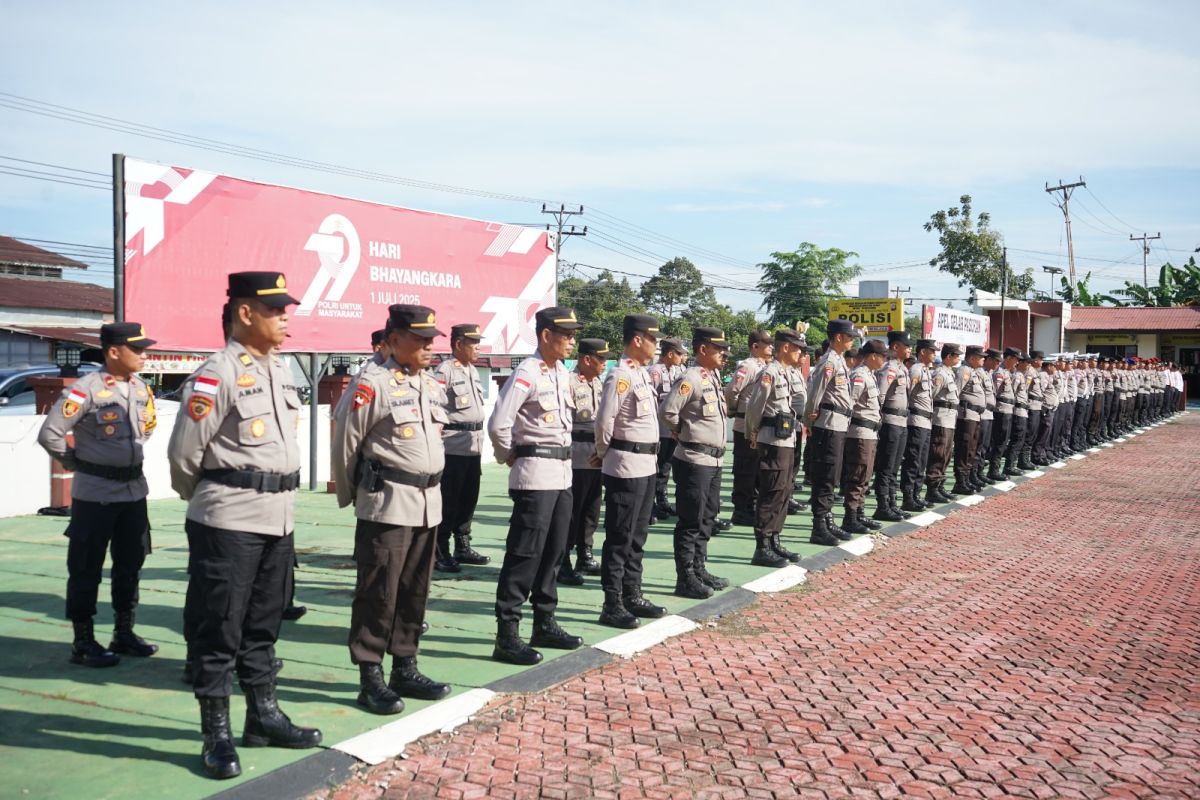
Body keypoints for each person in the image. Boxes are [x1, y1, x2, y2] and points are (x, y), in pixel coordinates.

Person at [167, 272, 320, 780]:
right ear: (246, 313)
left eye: (286, 309)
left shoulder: (279, 370)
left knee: (263, 623)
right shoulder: (217, 373)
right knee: (220, 627)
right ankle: (216, 733)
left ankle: (264, 716)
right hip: (229, 518)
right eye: (276, 309)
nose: (285, 317)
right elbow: (183, 455)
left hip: (277, 517)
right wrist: (217, 499)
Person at [332, 304, 453, 716]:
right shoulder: (373, 383)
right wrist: (354, 497)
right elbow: (346, 441)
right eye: (419, 338)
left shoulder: (429, 384)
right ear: (395, 338)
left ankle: (406, 665)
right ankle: (370, 676)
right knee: (378, 593)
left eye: (431, 339)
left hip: (427, 505)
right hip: (387, 504)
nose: (428, 345)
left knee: (414, 591)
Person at [37, 322, 160, 669]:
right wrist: (79, 463)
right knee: (86, 568)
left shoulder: (139, 388)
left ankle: (124, 632)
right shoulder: (86, 389)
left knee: (130, 564)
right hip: (96, 495)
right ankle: (83, 641)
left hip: (134, 491)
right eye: (136, 349)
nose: (143, 355)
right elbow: (51, 434)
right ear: (113, 352)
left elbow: (145, 431)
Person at [486, 306, 585, 664]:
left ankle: (545, 621)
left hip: (562, 474)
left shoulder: (561, 372)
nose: (572, 341)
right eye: (566, 334)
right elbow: (499, 423)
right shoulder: (527, 372)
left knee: (556, 550)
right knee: (524, 554)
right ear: (546, 335)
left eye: (574, 334)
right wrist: (509, 456)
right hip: (535, 474)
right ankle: (507, 634)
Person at [594, 314, 668, 629]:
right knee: (620, 536)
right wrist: (603, 455)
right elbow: (604, 422)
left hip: (645, 465)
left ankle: (632, 594)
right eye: (653, 339)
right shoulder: (620, 375)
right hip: (625, 464)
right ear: (637, 340)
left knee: (638, 535)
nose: (657, 344)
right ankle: (612, 602)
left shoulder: (641, 375)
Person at [660, 327, 731, 598]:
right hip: (694, 459)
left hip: (713, 461)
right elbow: (668, 411)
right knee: (691, 520)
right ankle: (685, 577)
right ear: (703, 350)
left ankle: (699, 568)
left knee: (707, 517)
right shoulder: (690, 378)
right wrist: (681, 432)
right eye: (719, 349)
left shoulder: (710, 376)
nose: (724, 354)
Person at [745, 328, 809, 563]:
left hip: (788, 438)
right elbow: (755, 407)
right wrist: (752, 431)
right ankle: (762, 546)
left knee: (784, 491)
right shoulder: (769, 373)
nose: (800, 353)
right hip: (772, 440)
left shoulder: (789, 373)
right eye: (797, 348)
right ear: (785, 348)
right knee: (771, 491)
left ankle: (774, 540)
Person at [432, 324, 489, 573]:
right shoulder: (444, 371)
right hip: (453, 445)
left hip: (473, 445)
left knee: (469, 499)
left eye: (478, 341)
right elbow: (434, 407)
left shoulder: (472, 370)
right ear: (458, 344)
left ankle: (462, 545)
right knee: (449, 500)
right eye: (473, 342)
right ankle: (440, 549)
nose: (478, 346)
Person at [804, 320, 856, 545]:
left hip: (839, 424)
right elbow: (815, 392)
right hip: (828, 424)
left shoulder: (838, 361)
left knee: (833, 476)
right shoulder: (828, 361)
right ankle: (819, 526)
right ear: (838, 337)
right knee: (825, 476)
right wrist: (809, 419)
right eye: (849, 336)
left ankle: (827, 519)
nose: (852, 340)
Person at [563, 338, 610, 583]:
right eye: (600, 358)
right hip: (576, 455)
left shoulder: (598, 383)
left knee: (591, 510)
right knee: (572, 511)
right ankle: (563, 560)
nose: (604, 363)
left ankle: (585, 554)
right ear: (586, 359)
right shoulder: (569, 383)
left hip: (596, 454)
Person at [724, 330, 773, 526]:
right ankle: (742, 509)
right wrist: (736, 411)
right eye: (767, 344)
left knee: (757, 469)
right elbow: (731, 392)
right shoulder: (748, 366)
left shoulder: (765, 367)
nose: (771, 347)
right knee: (745, 469)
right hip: (744, 425)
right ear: (755, 346)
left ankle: (751, 505)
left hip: (759, 426)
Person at [840, 338, 886, 533]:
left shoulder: (870, 375)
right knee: (857, 475)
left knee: (865, 475)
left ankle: (859, 514)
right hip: (859, 433)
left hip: (869, 433)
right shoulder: (859, 375)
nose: (885, 360)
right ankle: (850, 517)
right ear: (873, 356)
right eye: (883, 356)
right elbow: (848, 402)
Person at [872, 331, 912, 522]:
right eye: (907, 345)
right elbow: (880, 396)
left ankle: (892, 504)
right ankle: (882, 505)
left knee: (895, 466)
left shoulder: (902, 368)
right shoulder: (889, 368)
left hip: (902, 421)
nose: (910, 349)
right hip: (890, 422)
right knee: (886, 467)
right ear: (895, 347)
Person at [648, 337, 687, 520]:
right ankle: (651, 505)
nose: (682, 356)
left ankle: (662, 501)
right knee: (655, 467)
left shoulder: (678, 371)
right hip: (658, 430)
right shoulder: (654, 372)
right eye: (679, 353)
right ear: (669, 354)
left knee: (665, 467)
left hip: (672, 429)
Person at [900, 339, 937, 511]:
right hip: (915, 421)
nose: (934, 354)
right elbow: (907, 393)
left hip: (926, 421)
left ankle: (916, 494)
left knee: (922, 460)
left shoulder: (925, 370)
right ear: (922, 352)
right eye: (932, 351)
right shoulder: (915, 369)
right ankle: (908, 497)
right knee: (913, 460)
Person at [924, 343, 962, 503]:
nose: (959, 358)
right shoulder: (940, 373)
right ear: (949, 356)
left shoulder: (949, 373)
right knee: (938, 453)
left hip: (949, 419)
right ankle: (932, 489)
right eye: (956, 355)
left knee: (946, 454)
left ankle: (939, 486)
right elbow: (930, 395)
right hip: (941, 419)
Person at [952, 345, 986, 494]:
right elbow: (956, 393)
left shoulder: (974, 372)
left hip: (975, 415)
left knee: (972, 449)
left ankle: (966, 479)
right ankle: (960, 481)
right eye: (980, 357)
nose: (983, 359)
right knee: (964, 449)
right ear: (971, 358)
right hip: (966, 416)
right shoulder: (964, 371)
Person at [987, 347, 1018, 481]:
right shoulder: (999, 373)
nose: (1017, 362)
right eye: (1016, 359)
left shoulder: (1007, 372)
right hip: (1000, 411)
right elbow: (994, 391)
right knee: (999, 441)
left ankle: (996, 468)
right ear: (1009, 358)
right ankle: (993, 470)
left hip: (1007, 410)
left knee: (1003, 441)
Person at [974, 349, 999, 486]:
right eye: (996, 360)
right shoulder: (979, 373)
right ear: (989, 360)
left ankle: (979, 472)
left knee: (985, 446)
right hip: (981, 414)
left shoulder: (988, 374)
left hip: (989, 413)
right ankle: (974, 473)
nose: (997, 364)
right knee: (979, 446)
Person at [1020, 351, 1045, 470]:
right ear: (1035, 360)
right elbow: (1024, 389)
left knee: (1033, 434)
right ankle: (1023, 460)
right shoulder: (1029, 372)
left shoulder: (1035, 372)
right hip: (1031, 406)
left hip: (1037, 405)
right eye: (1040, 359)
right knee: (1029, 434)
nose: (1042, 362)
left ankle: (1027, 458)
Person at [1033, 357, 1059, 465]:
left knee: (1046, 434)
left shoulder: (1047, 375)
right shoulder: (1043, 375)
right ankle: (1037, 456)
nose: (1055, 368)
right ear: (1049, 366)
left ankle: (1042, 455)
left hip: (1050, 408)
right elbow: (1041, 392)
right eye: (1053, 366)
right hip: (1046, 409)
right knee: (1043, 434)